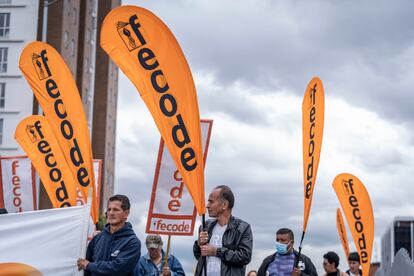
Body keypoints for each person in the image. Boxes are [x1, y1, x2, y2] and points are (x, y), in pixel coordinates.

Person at [193, 185, 253, 275]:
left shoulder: (242, 228)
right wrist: (198, 244)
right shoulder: (206, 226)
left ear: (224, 205)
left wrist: (216, 251)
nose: (207, 206)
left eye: (211, 202)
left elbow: (245, 257)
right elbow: (199, 256)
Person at [77, 194, 141, 276]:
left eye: (115, 210)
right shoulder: (97, 239)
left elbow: (117, 269)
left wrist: (89, 266)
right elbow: (85, 268)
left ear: (126, 214)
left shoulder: (132, 242)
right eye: (109, 209)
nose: (111, 213)